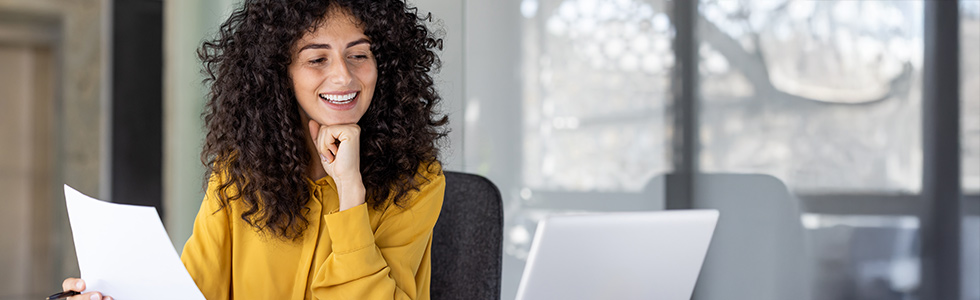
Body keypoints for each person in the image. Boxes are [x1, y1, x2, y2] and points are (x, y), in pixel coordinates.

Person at [60, 0, 448, 299]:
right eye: (317, 59)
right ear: (281, 73)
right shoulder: (238, 171)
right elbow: (191, 291)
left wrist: (350, 189)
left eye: (359, 54)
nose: (343, 75)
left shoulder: (417, 182)